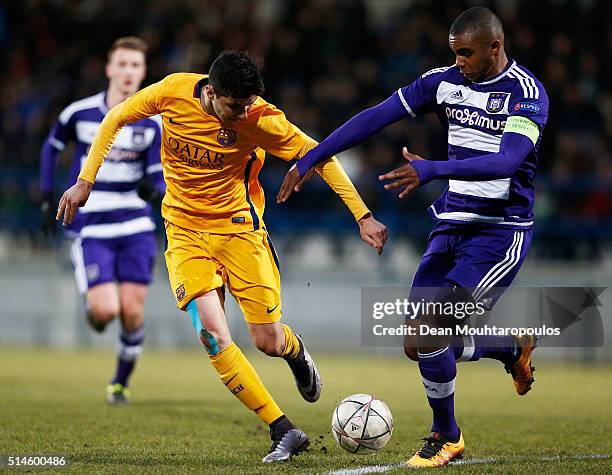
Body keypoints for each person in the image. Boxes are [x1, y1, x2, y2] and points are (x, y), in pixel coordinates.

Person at [56, 51, 387, 463]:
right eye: (235, 106)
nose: (242, 113)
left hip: (239, 232)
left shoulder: (260, 119)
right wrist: (85, 181)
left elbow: (321, 156)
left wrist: (363, 215)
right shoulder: (172, 91)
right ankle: (282, 429)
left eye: (248, 105)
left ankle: (294, 351)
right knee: (212, 334)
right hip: (183, 232)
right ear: (211, 92)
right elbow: (115, 118)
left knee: (266, 340)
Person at [277, 7, 548, 468]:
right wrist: (312, 157)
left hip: (498, 234)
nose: (459, 61)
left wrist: (433, 169)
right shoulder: (442, 82)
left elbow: (506, 163)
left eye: (467, 53)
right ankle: (511, 347)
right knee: (416, 344)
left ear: (495, 47)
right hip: (450, 226)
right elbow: (375, 116)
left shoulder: (527, 94)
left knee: (429, 333)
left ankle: (447, 435)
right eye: (454, 53)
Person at [40, 37, 165, 405]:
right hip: (93, 225)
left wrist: (153, 189)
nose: (128, 72)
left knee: (131, 310)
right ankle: (93, 307)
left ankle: (120, 385)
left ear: (143, 73)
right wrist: (48, 195)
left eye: (135, 66)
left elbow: (158, 174)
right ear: (110, 69)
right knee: (105, 311)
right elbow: (52, 146)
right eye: (122, 64)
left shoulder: (152, 121)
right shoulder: (80, 113)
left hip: (135, 226)